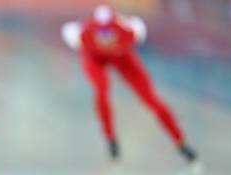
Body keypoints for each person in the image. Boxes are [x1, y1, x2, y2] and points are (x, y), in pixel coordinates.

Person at [61, 4, 197, 162]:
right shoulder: (80, 34)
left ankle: (181, 143)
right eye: (101, 33)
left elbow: (136, 29)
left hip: (122, 57)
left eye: (109, 33)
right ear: (93, 31)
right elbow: (70, 33)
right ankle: (110, 138)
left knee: (151, 99)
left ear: (117, 29)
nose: (105, 38)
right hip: (94, 59)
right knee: (101, 89)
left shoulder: (130, 30)